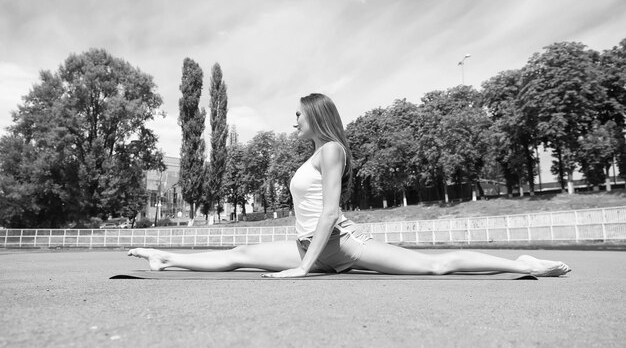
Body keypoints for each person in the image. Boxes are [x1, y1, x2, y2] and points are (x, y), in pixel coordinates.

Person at [128, 93, 571, 278]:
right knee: (241, 256)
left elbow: (327, 212)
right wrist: (305, 259)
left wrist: (304, 269)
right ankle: (166, 258)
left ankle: (521, 263)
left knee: (434, 267)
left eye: (298, 115)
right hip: (310, 246)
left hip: (340, 244)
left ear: (315, 115)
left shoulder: (332, 150)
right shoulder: (314, 154)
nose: (294, 120)